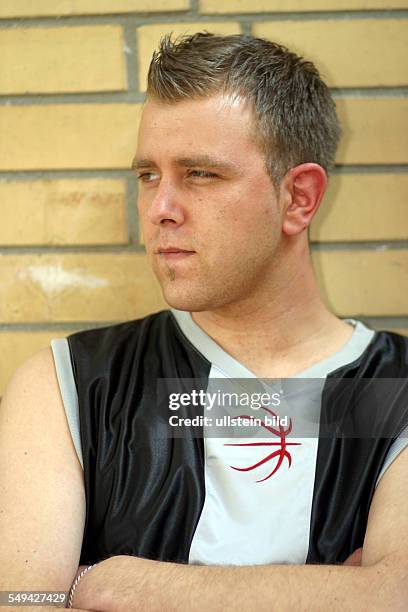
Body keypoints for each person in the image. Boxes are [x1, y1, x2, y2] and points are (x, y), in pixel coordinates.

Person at [1, 32, 407, 611]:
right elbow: (22, 603)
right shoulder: (68, 384)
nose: (160, 208)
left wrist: (118, 586)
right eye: (147, 175)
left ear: (299, 199)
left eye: (200, 174)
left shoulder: (397, 389)